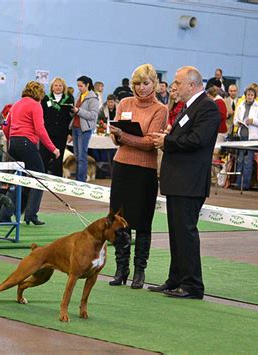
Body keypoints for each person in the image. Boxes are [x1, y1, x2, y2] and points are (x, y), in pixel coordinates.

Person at [151, 66, 220, 299]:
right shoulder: (187, 108)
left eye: (178, 83)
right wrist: (169, 138)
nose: (174, 88)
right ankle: (175, 279)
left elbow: (197, 140)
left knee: (186, 233)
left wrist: (167, 141)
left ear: (192, 85)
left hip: (190, 181)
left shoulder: (208, 107)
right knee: (176, 233)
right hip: (178, 181)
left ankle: (192, 285)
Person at [108, 64, 167, 289]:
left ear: (154, 83)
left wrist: (124, 135)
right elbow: (116, 137)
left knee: (142, 222)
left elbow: (150, 143)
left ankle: (139, 272)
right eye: (137, 84)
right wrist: (116, 135)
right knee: (119, 221)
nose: (141, 88)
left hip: (145, 171)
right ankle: (121, 269)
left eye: (145, 83)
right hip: (121, 166)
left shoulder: (160, 109)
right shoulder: (124, 103)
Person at [0, 81, 60, 225]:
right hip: (27, 144)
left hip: (13, 144)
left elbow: (5, 128)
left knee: (17, 180)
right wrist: (53, 148)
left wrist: (12, 141)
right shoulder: (36, 105)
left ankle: (4, 215)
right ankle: (31, 214)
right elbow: (40, 129)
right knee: (39, 177)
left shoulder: (16, 105)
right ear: (39, 93)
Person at [39, 77, 74, 177]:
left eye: (60, 85)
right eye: (56, 85)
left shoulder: (69, 99)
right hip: (47, 133)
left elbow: (71, 117)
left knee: (58, 158)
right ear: (52, 87)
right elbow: (42, 115)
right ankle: (42, 177)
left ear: (64, 87)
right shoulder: (46, 99)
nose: (58, 87)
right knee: (44, 157)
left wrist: (70, 133)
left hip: (62, 133)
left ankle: (57, 179)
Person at [233, 86, 258, 190]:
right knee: (240, 160)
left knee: (248, 161)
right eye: (248, 95)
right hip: (242, 136)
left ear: (255, 96)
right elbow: (235, 119)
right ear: (245, 95)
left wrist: (253, 121)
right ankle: (238, 183)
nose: (250, 97)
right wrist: (238, 123)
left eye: (252, 95)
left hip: (252, 138)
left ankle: (245, 185)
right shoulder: (241, 105)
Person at [70, 76, 99, 182]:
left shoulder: (93, 98)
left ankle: (81, 180)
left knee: (82, 156)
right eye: (78, 86)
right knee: (77, 156)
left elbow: (93, 115)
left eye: (81, 86)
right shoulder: (79, 95)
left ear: (87, 85)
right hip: (75, 128)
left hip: (84, 130)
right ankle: (78, 178)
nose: (79, 88)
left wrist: (78, 111)